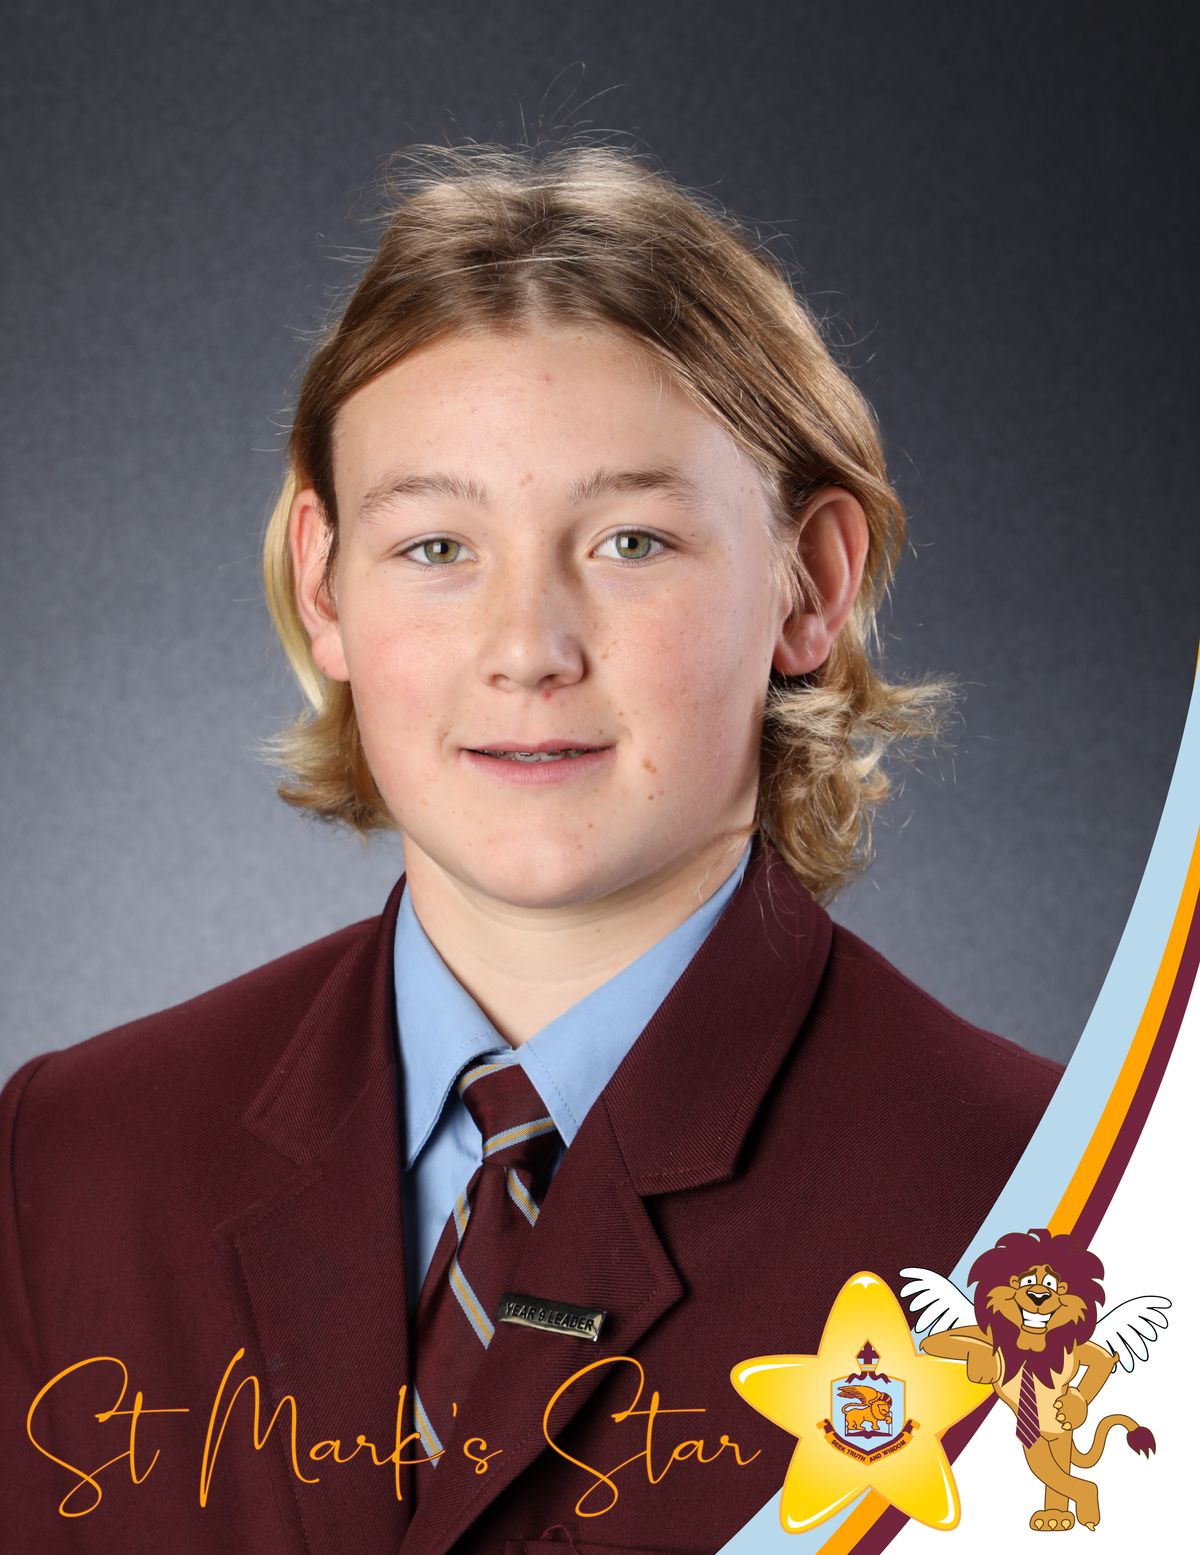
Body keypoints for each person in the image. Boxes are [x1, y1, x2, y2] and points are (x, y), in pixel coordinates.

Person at [0, 141, 1061, 1555]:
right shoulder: (74, 1158)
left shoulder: (1059, 1212)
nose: (527, 650)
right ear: (324, 585)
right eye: (438, 547)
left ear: (809, 586)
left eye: (631, 542)